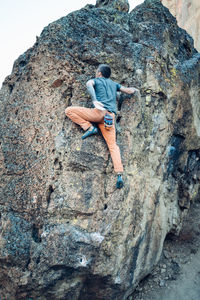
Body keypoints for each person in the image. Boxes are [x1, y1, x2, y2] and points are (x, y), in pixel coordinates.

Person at [65, 64, 138, 189]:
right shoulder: (114, 84)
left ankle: (89, 127)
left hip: (98, 113)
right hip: (110, 118)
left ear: (99, 73)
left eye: (96, 71)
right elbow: (129, 90)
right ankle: (119, 174)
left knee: (69, 110)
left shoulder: (97, 80)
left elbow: (89, 84)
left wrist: (94, 100)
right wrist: (136, 90)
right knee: (113, 145)